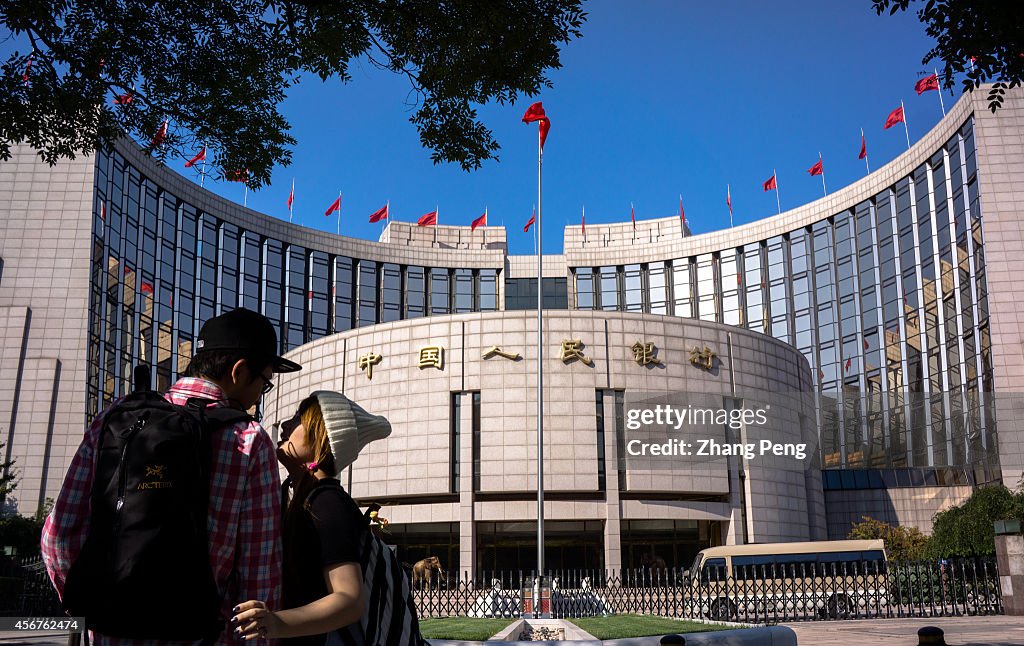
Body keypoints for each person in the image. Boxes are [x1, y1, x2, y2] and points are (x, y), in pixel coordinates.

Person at [41, 307, 302, 644]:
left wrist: (95, 607)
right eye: (264, 383)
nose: (259, 397)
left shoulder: (116, 418)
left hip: (111, 632)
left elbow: (56, 539)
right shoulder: (249, 441)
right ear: (239, 372)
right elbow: (258, 577)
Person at [232, 391, 423, 645]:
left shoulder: (327, 501)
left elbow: (349, 600)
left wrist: (276, 622)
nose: (286, 426)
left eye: (299, 418)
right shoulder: (293, 496)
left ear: (323, 436)